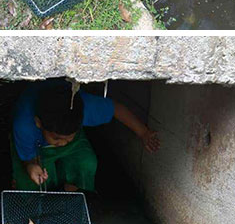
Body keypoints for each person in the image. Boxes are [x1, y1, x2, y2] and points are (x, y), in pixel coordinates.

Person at [10, 80, 159, 191]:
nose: (63, 143)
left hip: (62, 131)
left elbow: (116, 109)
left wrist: (144, 133)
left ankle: (69, 198)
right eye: (57, 138)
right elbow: (28, 157)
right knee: (33, 182)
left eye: (69, 137)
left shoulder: (83, 108)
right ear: (38, 123)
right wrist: (31, 165)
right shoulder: (24, 124)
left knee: (86, 162)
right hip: (35, 143)